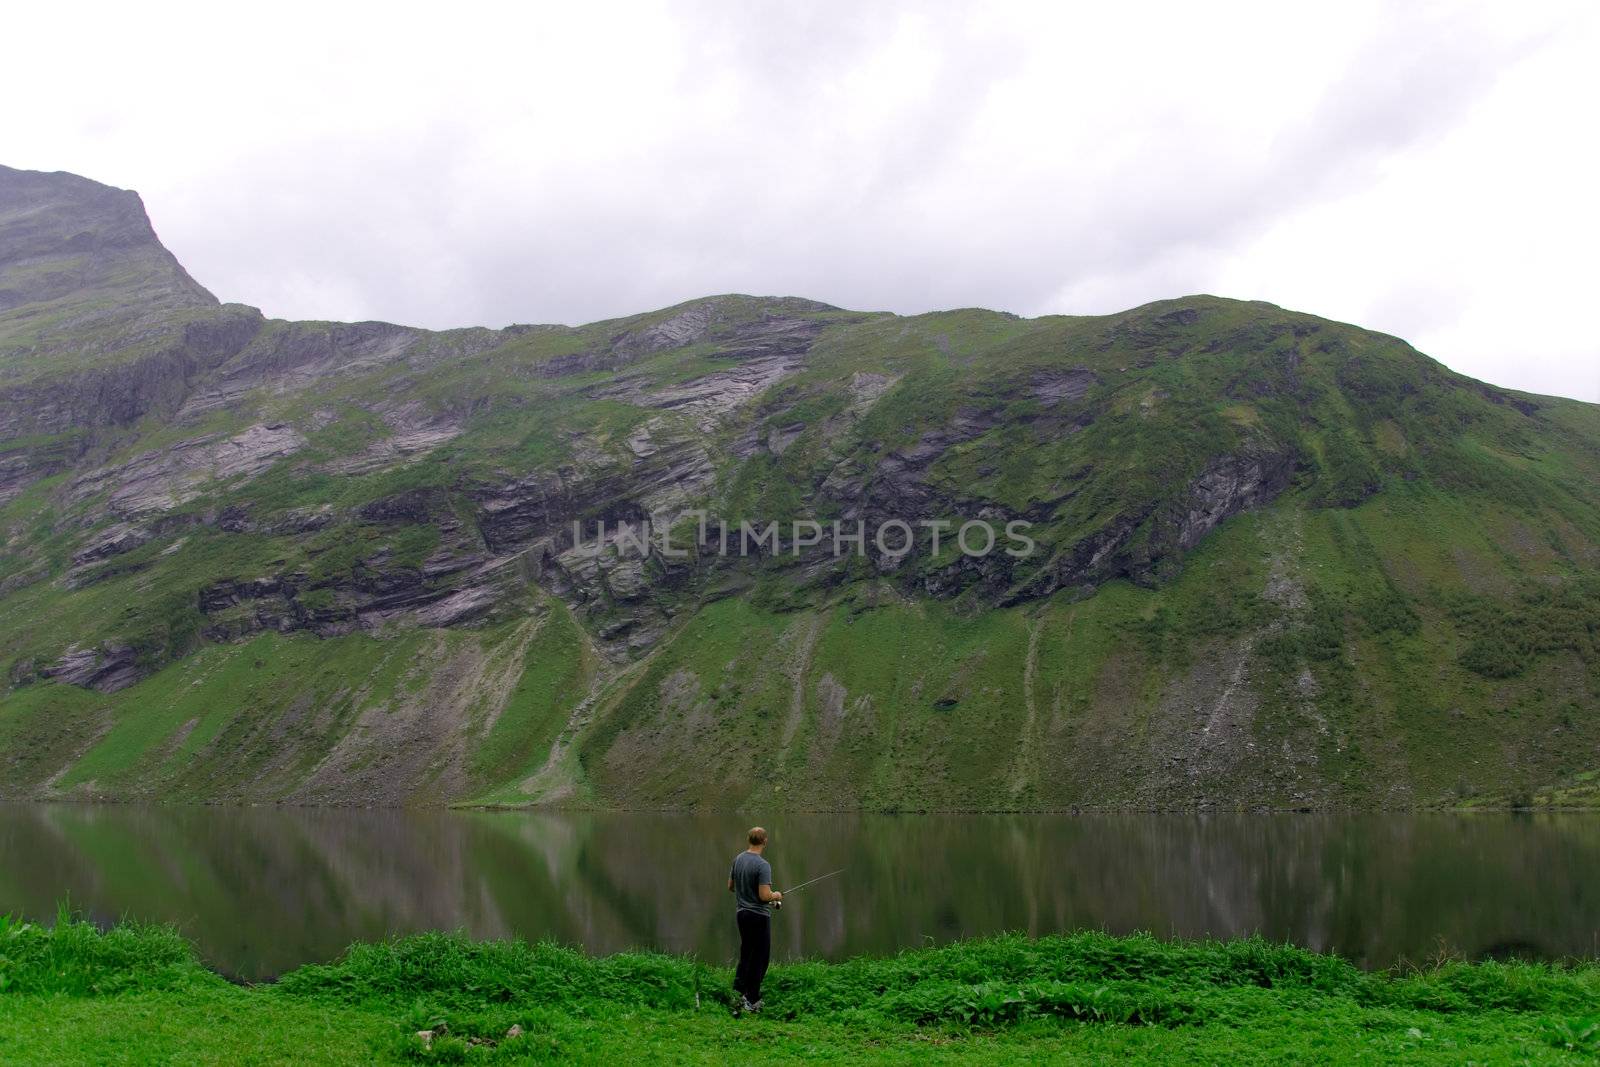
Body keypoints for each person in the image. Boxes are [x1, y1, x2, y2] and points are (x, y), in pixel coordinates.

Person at [727, 825, 782, 1013]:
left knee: (746, 954)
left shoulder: (738, 860)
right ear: (765, 841)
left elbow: (731, 887)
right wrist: (776, 895)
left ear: (748, 840)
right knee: (760, 958)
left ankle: (738, 992)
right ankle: (752, 999)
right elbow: (764, 895)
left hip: (741, 914)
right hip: (758, 917)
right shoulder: (762, 865)